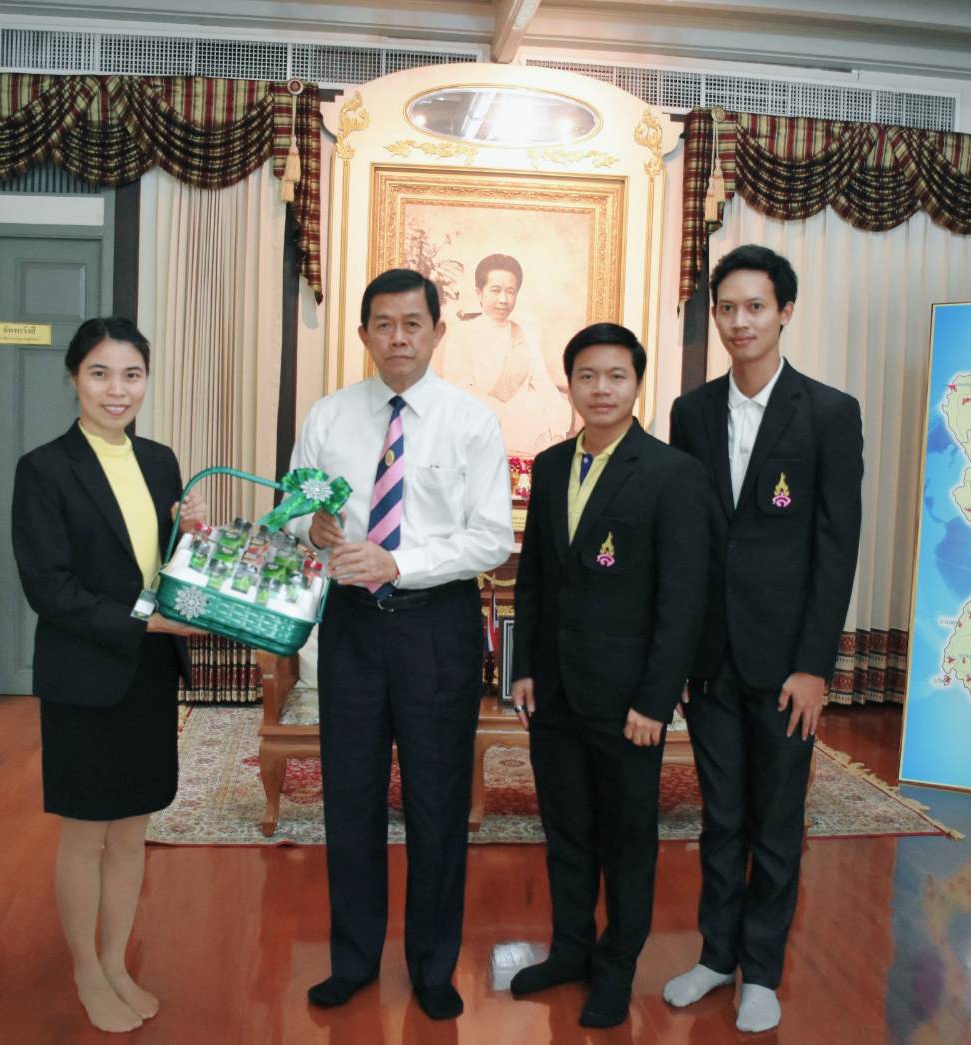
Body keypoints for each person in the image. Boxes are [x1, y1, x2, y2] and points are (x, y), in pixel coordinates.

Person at [290, 268, 514, 1020]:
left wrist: (400, 563)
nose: (397, 338)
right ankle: (353, 960)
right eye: (382, 324)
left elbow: (491, 537)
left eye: (412, 324)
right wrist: (311, 527)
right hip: (351, 625)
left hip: (435, 627)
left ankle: (432, 966)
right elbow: (293, 507)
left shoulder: (470, 421)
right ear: (363, 334)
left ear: (437, 332)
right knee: (349, 795)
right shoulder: (329, 416)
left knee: (437, 799)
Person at [664, 245, 864, 1033]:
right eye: (726, 307)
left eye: (754, 306)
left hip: (786, 666)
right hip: (712, 660)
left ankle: (763, 970)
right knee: (720, 818)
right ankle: (716, 956)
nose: (738, 321)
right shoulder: (690, 412)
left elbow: (835, 547)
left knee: (776, 823)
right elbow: (686, 540)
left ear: (784, 311)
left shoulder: (828, 412)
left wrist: (815, 666)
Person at [508, 323, 709, 1028]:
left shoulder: (671, 472)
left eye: (616, 376)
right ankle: (570, 949)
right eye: (587, 376)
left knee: (627, 840)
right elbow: (535, 576)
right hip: (555, 693)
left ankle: (616, 967)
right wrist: (523, 667)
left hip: (629, 702)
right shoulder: (551, 465)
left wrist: (655, 699)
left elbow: (682, 599)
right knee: (565, 829)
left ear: (637, 384)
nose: (601, 389)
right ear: (569, 383)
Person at [11, 317, 207, 1033]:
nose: (116, 390)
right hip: (85, 674)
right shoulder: (44, 469)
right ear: (74, 378)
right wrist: (148, 621)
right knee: (86, 834)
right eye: (100, 373)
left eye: (131, 374)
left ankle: (115, 959)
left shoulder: (160, 461)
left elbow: (163, 567)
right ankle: (86, 970)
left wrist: (194, 538)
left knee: (131, 832)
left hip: (148, 674)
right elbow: (50, 588)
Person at [439, 253, 573, 456]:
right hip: (481, 436)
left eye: (510, 291)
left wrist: (557, 435)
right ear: (479, 293)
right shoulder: (462, 336)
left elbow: (544, 386)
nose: (503, 299)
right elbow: (459, 393)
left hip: (529, 438)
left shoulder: (526, 335)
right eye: (495, 290)